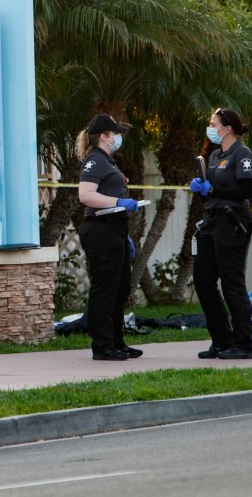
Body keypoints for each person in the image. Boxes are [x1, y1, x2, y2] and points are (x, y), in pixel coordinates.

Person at [190, 107, 252, 360]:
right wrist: (200, 188)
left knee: (232, 282)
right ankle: (221, 339)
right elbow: (213, 188)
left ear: (227, 128)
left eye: (213, 124)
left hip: (233, 221)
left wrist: (213, 190)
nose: (210, 128)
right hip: (212, 219)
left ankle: (243, 342)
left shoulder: (242, 153)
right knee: (203, 280)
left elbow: (245, 190)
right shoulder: (216, 154)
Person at [77, 113, 142, 361]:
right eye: (114, 133)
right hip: (101, 229)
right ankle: (102, 345)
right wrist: (119, 202)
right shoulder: (94, 160)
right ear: (104, 136)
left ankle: (117, 341)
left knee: (120, 286)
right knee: (105, 288)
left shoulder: (108, 161)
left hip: (115, 229)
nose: (117, 137)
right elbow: (86, 194)